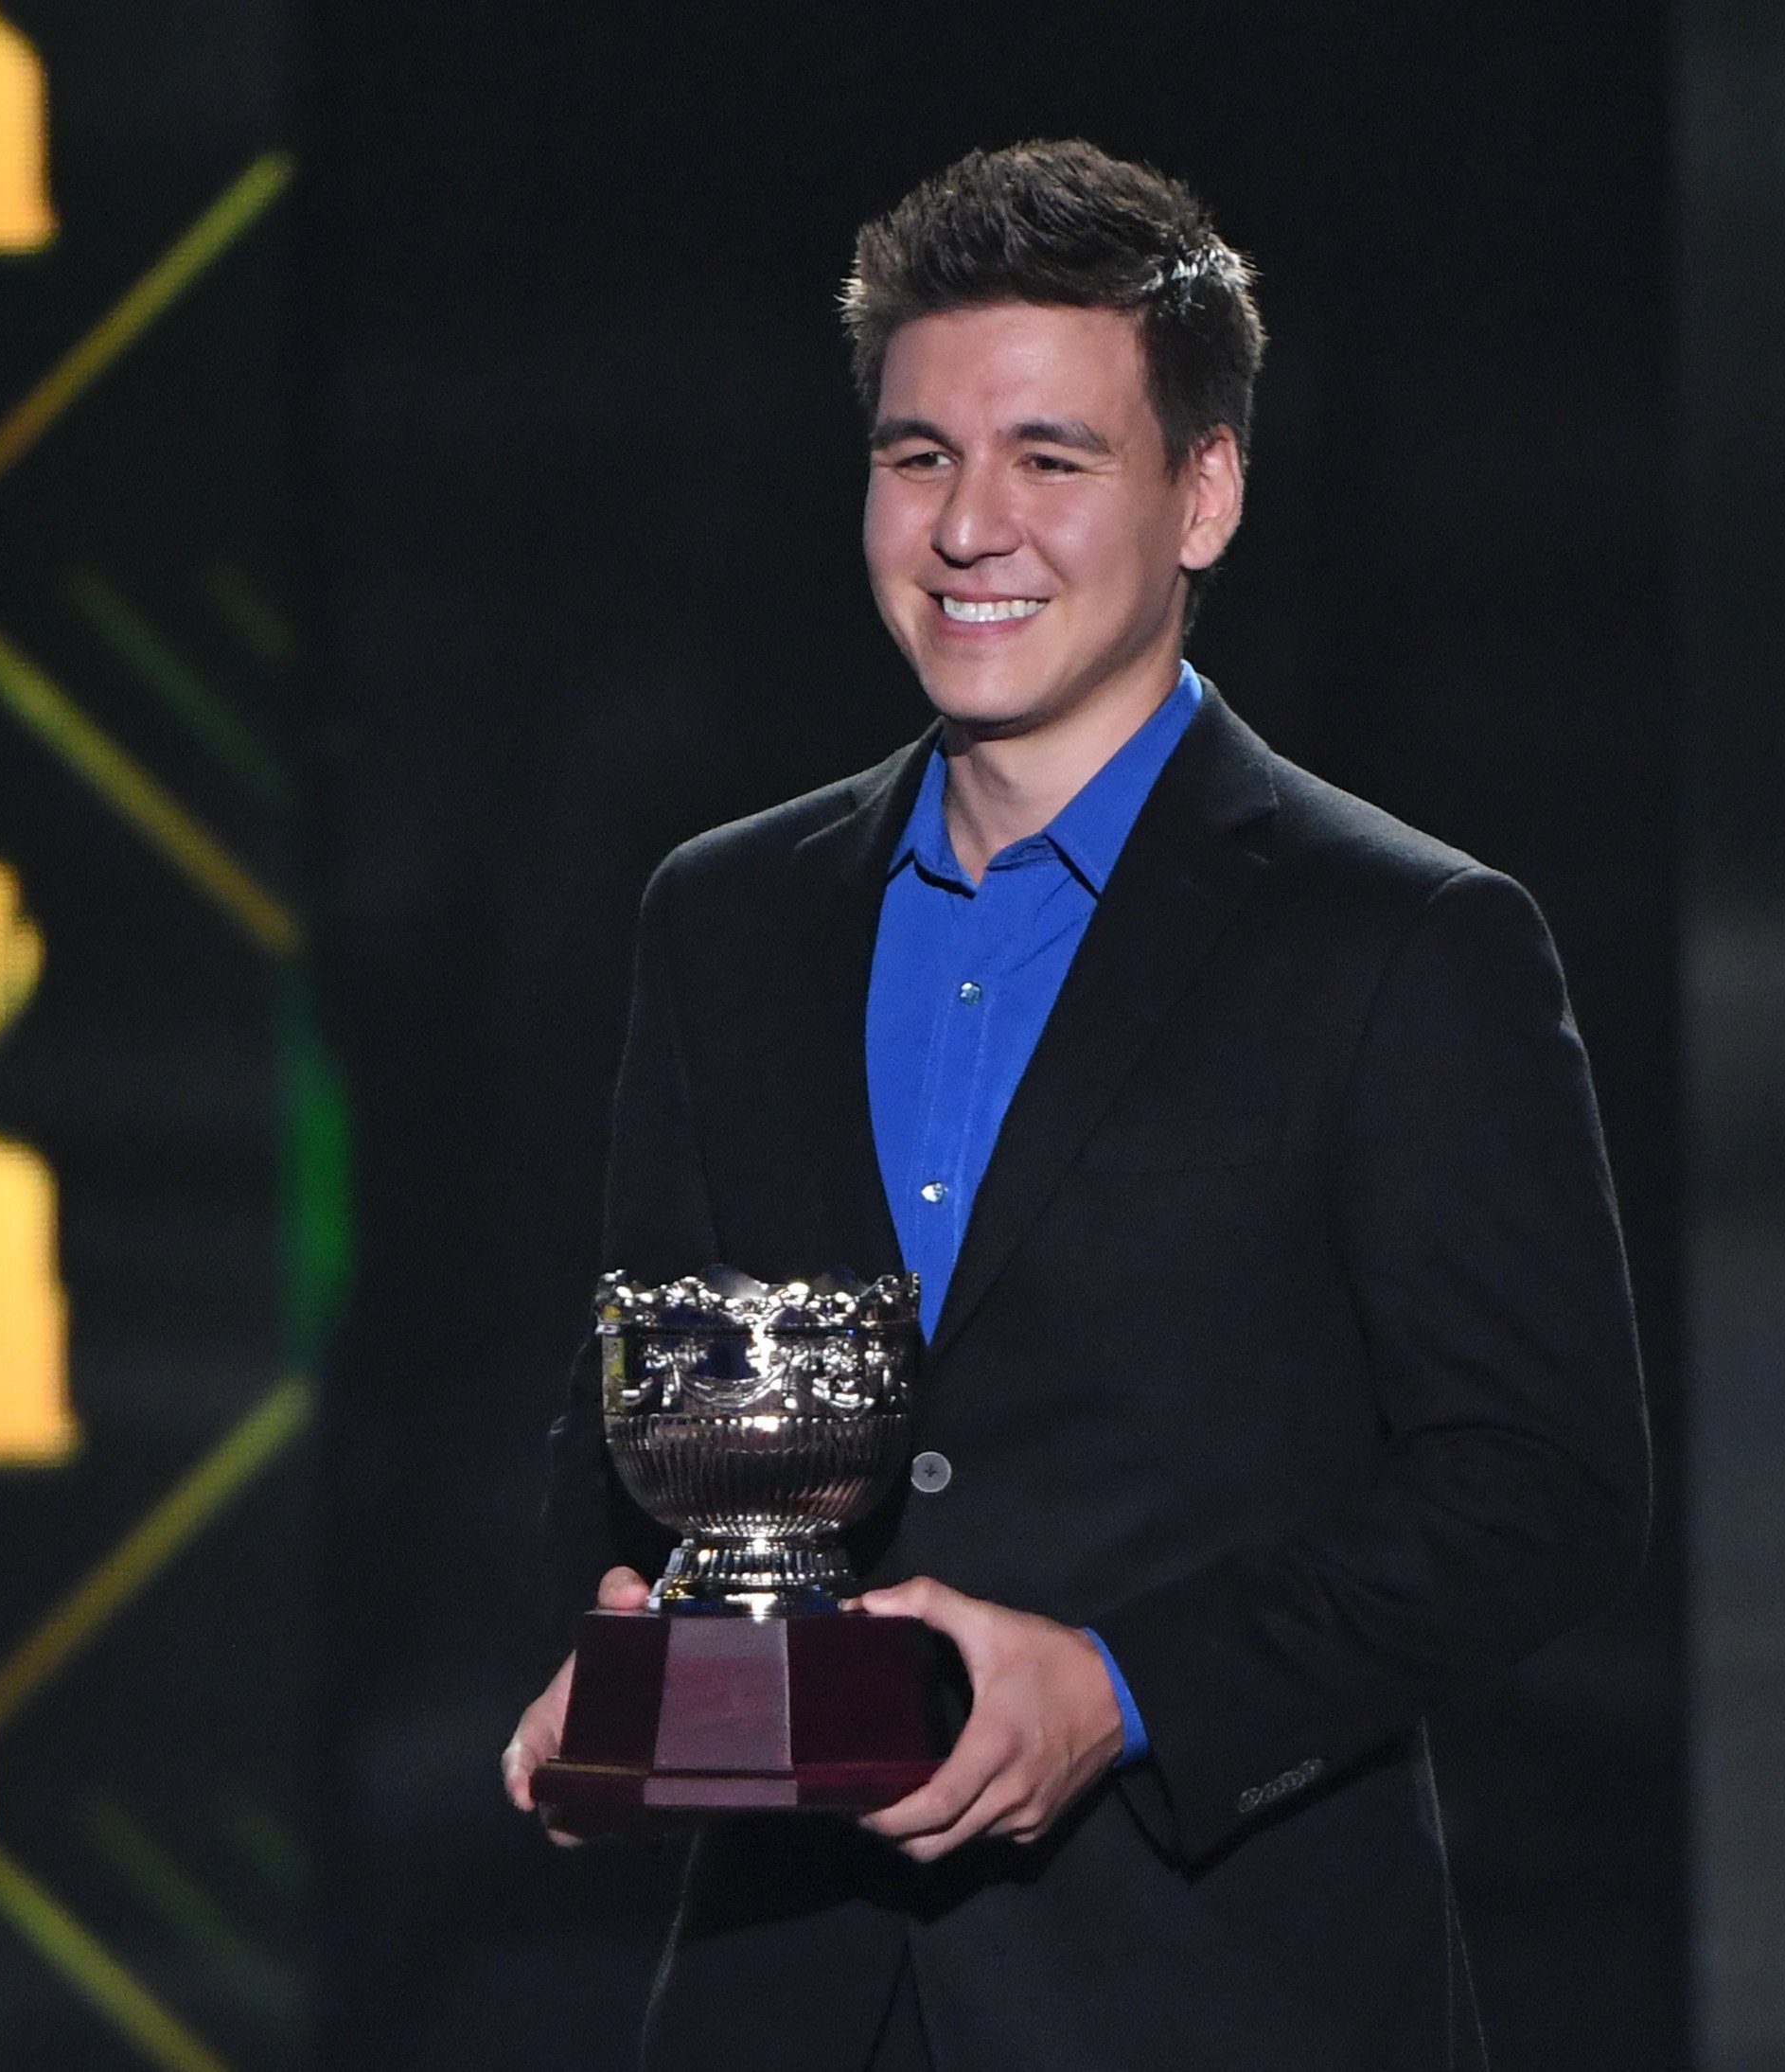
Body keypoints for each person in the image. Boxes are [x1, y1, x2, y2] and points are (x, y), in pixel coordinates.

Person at [501, 138, 1651, 2072]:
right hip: (796, 1995)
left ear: (1202, 496)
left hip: (1226, 1995)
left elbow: (1540, 1486)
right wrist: (622, 1642)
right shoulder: (727, 919)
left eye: (1051, 458)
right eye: (917, 456)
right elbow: (649, 1398)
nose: (970, 528)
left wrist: (1126, 1688)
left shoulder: (1405, 943)